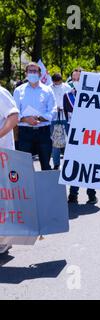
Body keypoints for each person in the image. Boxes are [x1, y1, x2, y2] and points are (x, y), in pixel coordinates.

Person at [13, 62, 56, 171]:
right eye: (30, 71)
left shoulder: (48, 90)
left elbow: (53, 110)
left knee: (46, 165)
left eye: (35, 71)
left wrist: (39, 118)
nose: (32, 73)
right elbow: (15, 112)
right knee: (24, 167)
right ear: (26, 73)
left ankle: (46, 188)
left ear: (40, 73)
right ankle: (26, 188)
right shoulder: (18, 91)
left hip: (43, 132)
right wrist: (25, 119)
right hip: (25, 132)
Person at [65, 67, 98, 205]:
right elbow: (69, 108)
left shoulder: (94, 93)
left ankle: (91, 194)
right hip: (75, 134)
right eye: (75, 77)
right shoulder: (68, 93)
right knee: (75, 165)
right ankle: (73, 195)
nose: (77, 80)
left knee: (89, 165)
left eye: (80, 77)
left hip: (90, 133)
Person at [0, 84, 20, 255]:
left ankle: (4, 240)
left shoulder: (0, 93)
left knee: (3, 198)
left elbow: (13, 117)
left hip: (2, 155)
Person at [50, 73, 71, 170]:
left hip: (66, 118)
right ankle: (56, 163)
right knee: (55, 141)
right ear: (53, 81)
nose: (57, 84)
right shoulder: (49, 88)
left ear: (61, 81)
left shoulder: (67, 87)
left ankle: (69, 162)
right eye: (55, 83)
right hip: (54, 118)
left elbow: (71, 101)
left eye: (58, 82)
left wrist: (64, 107)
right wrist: (55, 108)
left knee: (68, 140)